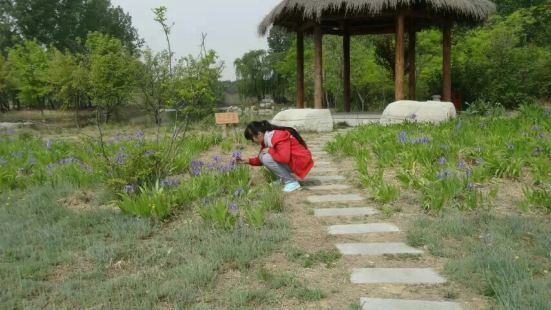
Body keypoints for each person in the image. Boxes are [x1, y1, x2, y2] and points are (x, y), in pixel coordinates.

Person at [237, 120, 314, 192]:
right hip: (293, 160)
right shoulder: (267, 139)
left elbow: (284, 158)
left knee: (266, 157)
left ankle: (291, 182)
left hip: (300, 161)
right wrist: (247, 161)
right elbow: (261, 160)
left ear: (259, 134)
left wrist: (270, 151)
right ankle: (283, 179)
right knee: (263, 156)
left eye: (252, 138)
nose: (252, 141)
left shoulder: (277, 136)